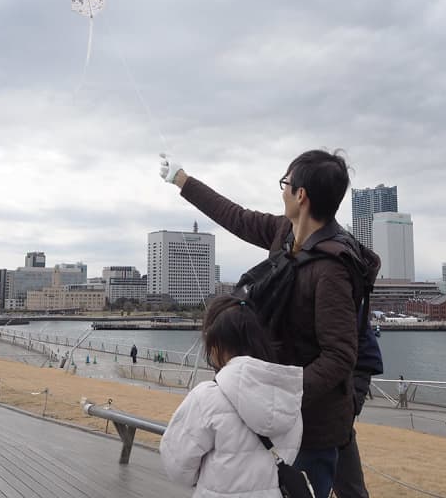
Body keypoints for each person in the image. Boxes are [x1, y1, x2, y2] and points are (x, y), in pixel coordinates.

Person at [160, 149, 361, 498]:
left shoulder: (333, 270)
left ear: (301, 196)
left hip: (310, 427)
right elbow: (236, 217)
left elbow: (341, 355)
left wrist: (283, 392)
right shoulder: (285, 233)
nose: (281, 190)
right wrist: (183, 180)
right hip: (266, 415)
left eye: (285, 183)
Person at [160, 295, 303, 497]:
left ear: (216, 343)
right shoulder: (289, 394)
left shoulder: (207, 397)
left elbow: (177, 465)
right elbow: (290, 453)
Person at [333, 319, 383, 498]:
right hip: (291, 403)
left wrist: (350, 402)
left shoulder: (343, 296)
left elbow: (366, 356)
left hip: (334, 408)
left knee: (350, 487)